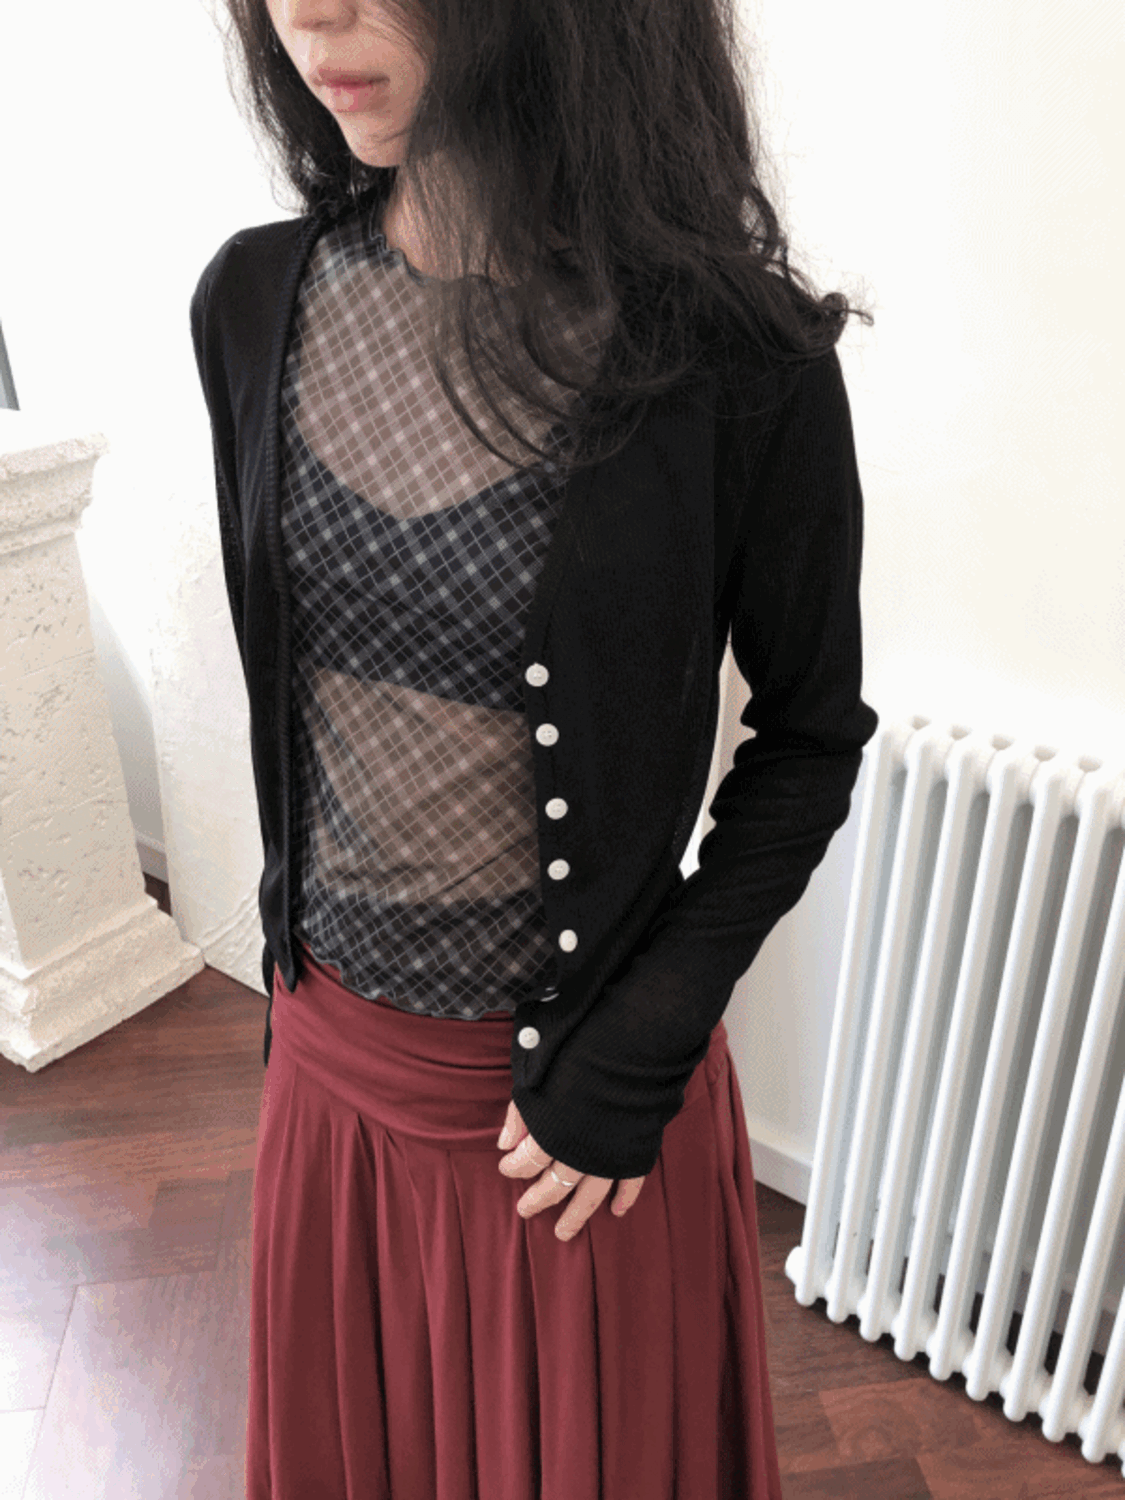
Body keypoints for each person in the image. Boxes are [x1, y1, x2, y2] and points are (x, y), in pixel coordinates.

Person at [190, 0, 879, 1495]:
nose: (308, 12)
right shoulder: (251, 300)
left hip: (572, 1133)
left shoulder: (734, 355)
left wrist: (642, 1046)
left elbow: (812, 738)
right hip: (330, 1088)